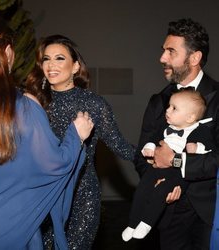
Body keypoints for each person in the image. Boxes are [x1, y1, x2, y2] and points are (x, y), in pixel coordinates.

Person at [0, 16, 94, 250]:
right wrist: (75, 135)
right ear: (7, 53)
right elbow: (53, 165)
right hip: (8, 231)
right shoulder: (23, 106)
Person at [25, 34, 137, 249]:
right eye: (46, 59)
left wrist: (153, 157)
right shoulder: (34, 103)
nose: (51, 65)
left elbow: (119, 144)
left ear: (75, 67)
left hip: (83, 193)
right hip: (45, 193)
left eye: (59, 58)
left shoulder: (92, 103)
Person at [134, 18, 219, 250]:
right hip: (167, 213)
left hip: (210, 213)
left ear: (194, 58)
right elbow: (141, 154)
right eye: (163, 51)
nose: (162, 58)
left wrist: (176, 161)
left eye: (171, 51)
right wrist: (159, 181)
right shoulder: (158, 101)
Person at [122, 88, 215, 241]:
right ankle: (132, 223)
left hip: (179, 174)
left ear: (190, 117)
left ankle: (146, 223)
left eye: (174, 108)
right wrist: (150, 148)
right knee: (142, 189)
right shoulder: (165, 127)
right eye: (169, 106)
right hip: (157, 168)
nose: (168, 110)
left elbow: (210, 148)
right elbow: (151, 139)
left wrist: (198, 147)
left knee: (161, 191)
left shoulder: (201, 130)